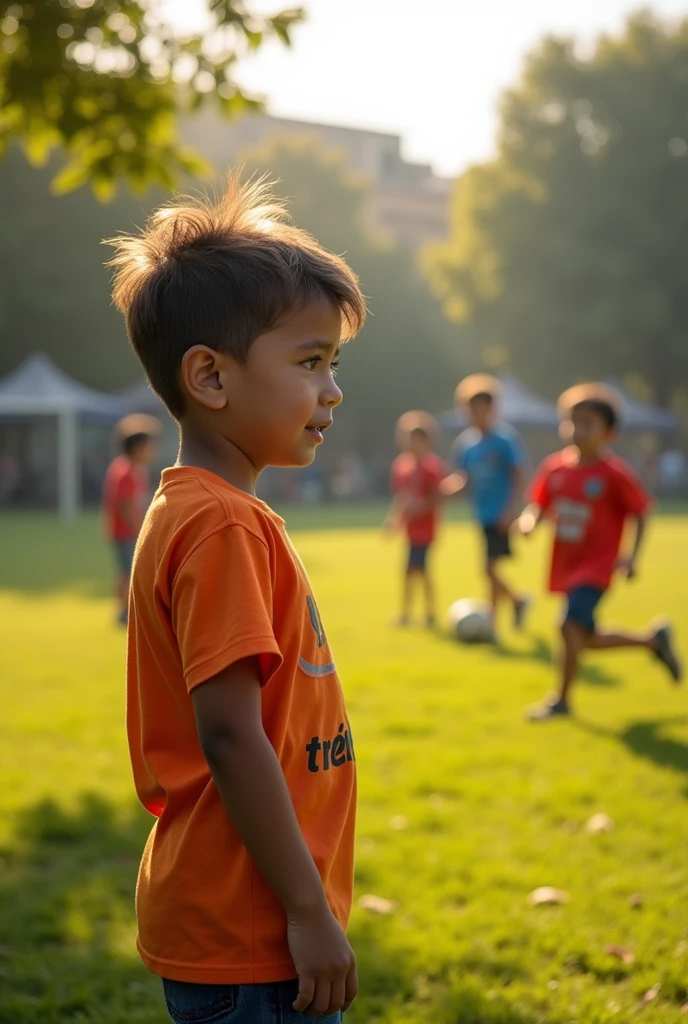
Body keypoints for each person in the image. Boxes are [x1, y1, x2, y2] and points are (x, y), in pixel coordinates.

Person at [105, 173, 366, 1024]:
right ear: (210, 378)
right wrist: (304, 910)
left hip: (242, 926)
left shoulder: (210, 511)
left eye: (334, 363)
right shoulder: (220, 527)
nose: (331, 389)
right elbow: (228, 731)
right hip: (253, 935)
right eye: (310, 361)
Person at [518, 383, 682, 720]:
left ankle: (561, 701)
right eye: (572, 422)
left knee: (566, 626)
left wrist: (633, 557)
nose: (577, 430)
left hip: (597, 566)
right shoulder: (555, 468)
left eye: (587, 424)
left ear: (609, 433)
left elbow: (642, 512)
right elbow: (538, 503)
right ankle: (653, 642)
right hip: (566, 563)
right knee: (584, 636)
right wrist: (528, 521)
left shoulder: (614, 474)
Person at [442, 374, 530, 638]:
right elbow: (463, 479)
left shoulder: (504, 439)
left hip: (499, 514)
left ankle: (496, 620)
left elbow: (519, 474)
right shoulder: (467, 444)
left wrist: (511, 509)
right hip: (481, 515)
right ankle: (515, 603)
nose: (477, 414)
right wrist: (447, 489)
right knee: (491, 569)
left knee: (489, 569)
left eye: (482, 408)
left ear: (493, 409)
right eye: (471, 410)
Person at [385, 412, 445, 627]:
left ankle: (421, 613)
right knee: (413, 570)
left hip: (425, 529)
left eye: (418, 439)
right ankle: (415, 613)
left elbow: (439, 496)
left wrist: (424, 507)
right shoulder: (401, 467)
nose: (413, 443)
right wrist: (393, 520)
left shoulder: (432, 467)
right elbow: (401, 498)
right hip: (410, 529)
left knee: (417, 570)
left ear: (427, 441)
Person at [102, 414, 160, 625]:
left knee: (126, 571)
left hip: (125, 531)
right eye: (149, 445)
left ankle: (123, 611)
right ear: (138, 447)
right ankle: (126, 612)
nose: (153, 450)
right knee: (130, 572)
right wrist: (141, 531)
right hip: (125, 532)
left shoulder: (134, 470)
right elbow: (125, 506)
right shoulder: (125, 471)